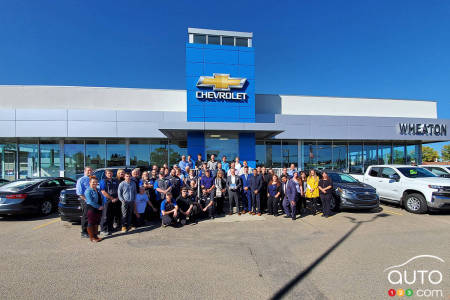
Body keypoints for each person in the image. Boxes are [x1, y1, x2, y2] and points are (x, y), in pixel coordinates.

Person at [99, 169, 120, 236]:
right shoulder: (103, 181)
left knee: (111, 215)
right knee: (105, 216)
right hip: (107, 201)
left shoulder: (115, 181)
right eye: (108, 173)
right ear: (106, 174)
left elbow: (118, 190)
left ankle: (110, 228)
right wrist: (111, 198)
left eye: (111, 173)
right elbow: (103, 192)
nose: (110, 174)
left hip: (115, 201)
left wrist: (116, 198)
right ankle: (103, 230)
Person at [84, 176, 103, 242]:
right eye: (93, 182)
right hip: (91, 209)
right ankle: (92, 237)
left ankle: (96, 236)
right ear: (90, 183)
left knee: (96, 222)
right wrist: (99, 206)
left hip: (97, 209)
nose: (95, 184)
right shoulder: (88, 191)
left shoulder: (96, 189)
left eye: (96, 182)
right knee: (91, 223)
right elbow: (90, 201)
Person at [76, 166, 93, 238]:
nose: (89, 172)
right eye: (88, 170)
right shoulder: (81, 180)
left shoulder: (92, 179)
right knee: (85, 216)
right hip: (85, 200)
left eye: (90, 170)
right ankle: (84, 232)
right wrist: (87, 200)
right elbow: (79, 193)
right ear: (84, 171)